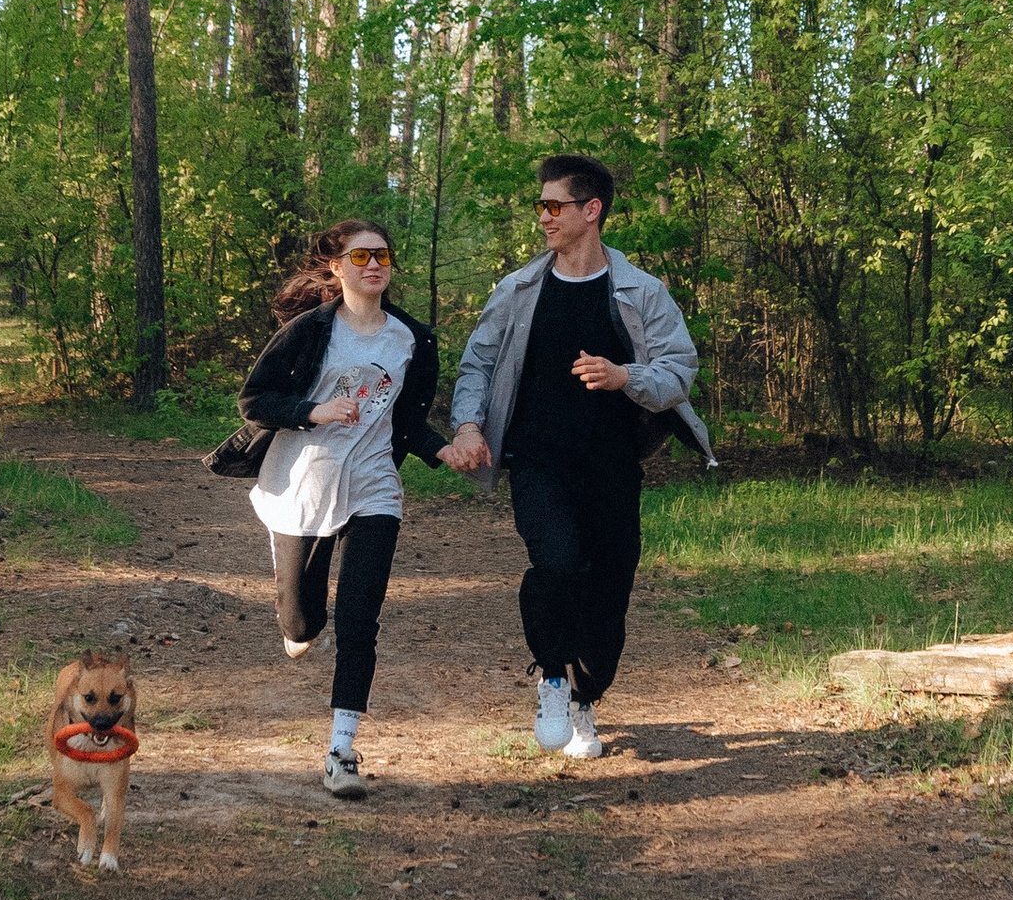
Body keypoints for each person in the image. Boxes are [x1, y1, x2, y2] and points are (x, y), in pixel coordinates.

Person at [439, 156, 703, 763]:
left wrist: (623, 375)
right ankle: (553, 680)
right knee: (556, 566)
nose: (544, 218)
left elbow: (678, 372)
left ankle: (586, 697)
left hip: (612, 467)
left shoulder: (641, 291)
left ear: (592, 211)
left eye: (554, 206)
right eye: (541, 206)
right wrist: (470, 422)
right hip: (539, 462)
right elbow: (477, 364)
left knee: (609, 593)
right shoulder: (519, 289)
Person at [233, 223, 448, 799]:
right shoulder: (309, 332)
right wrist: (314, 411)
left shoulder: (411, 339)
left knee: (360, 619)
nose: (373, 264)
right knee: (302, 625)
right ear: (337, 267)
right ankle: (298, 615)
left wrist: (443, 449)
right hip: (302, 485)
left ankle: (341, 750)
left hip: (373, 488)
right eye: (361, 255)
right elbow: (255, 400)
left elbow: (405, 421)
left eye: (382, 255)